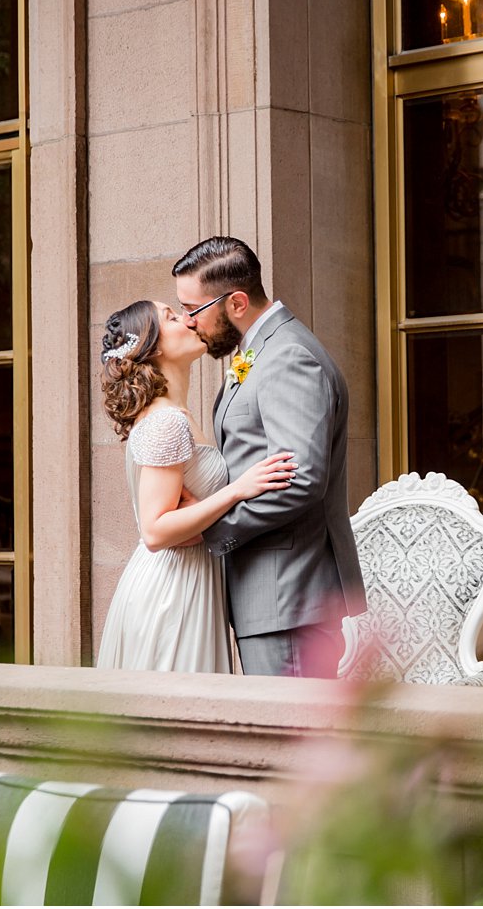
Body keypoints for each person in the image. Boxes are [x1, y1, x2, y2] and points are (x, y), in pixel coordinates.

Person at [173, 237, 367, 678]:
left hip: (289, 595)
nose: (188, 322)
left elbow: (301, 480)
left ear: (236, 302)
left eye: (193, 309)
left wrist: (208, 528)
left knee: (294, 740)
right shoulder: (259, 350)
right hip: (271, 595)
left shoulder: (289, 357)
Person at [94, 298, 298, 673]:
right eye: (172, 317)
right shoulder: (166, 421)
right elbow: (155, 531)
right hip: (172, 592)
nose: (188, 319)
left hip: (193, 578)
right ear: (150, 347)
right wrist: (236, 490)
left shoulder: (175, 414)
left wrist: (201, 520)